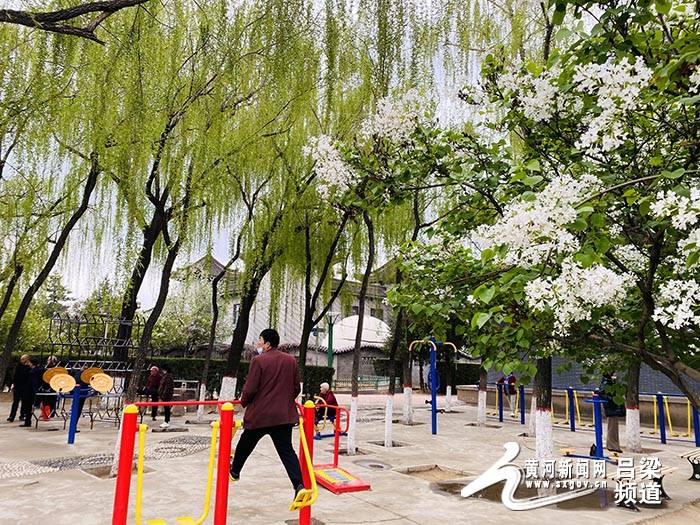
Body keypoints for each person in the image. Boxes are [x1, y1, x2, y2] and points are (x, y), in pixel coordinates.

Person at [229, 328, 304, 500]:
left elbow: (251, 388)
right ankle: (299, 485)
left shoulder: (258, 361)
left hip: (261, 415)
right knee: (287, 451)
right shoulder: (291, 360)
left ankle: (234, 471)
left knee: (245, 443)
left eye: (260, 340)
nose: (258, 343)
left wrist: (243, 402)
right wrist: (284, 402)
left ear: (268, 344)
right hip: (283, 416)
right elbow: (296, 388)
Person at [599, 372, 625, 453]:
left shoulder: (610, 382)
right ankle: (612, 446)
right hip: (611, 407)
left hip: (613, 407)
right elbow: (602, 393)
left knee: (613, 427)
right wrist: (612, 399)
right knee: (612, 427)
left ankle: (614, 445)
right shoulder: (606, 383)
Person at [20, 357, 42, 427]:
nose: (28, 364)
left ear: (32, 364)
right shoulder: (37, 370)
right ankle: (27, 421)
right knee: (28, 407)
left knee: (28, 407)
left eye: (29, 363)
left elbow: (33, 383)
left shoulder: (33, 372)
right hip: (31, 391)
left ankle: (27, 422)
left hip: (30, 392)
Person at [7, 355, 30, 422]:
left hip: (23, 386)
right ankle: (12, 416)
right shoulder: (19, 366)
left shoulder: (27, 367)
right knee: (16, 402)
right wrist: (13, 383)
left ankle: (21, 415)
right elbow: (15, 376)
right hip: (19, 386)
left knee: (23, 402)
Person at [158, 364, 174, 429]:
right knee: (166, 408)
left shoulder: (168, 377)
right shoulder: (166, 376)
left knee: (166, 408)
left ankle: (166, 421)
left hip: (166, 395)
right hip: (165, 395)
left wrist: (163, 395)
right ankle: (166, 421)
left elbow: (167, 387)